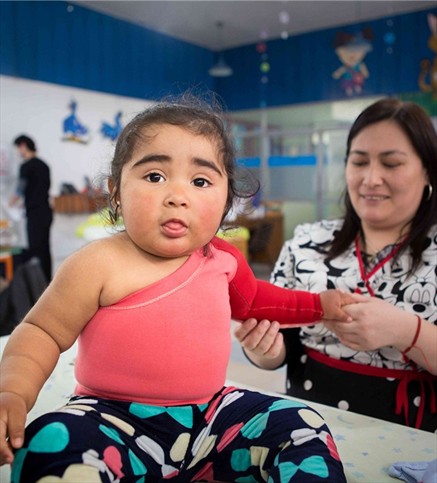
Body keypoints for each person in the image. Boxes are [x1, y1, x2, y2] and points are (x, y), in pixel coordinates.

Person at [0, 96, 353, 482]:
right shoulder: (96, 263)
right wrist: (15, 392)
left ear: (226, 201)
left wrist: (322, 305)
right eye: (155, 176)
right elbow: (42, 331)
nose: (177, 196)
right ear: (116, 191)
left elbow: (262, 301)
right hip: (111, 423)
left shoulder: (223, 260)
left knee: (300, 425)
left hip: (212, 422)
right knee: (50, 442)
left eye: (201, 181)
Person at [235, 98, 437, 432]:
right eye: (359, 162)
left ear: (428, 169)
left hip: (414, 436)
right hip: (307, 429)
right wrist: (261, 348)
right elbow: (279, 352)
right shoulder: (305, 244)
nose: (371, 179)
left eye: (391, 163)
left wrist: (405, 331)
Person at [10, 135, 53, 282]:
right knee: (45, 249)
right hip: (46, 212)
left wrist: (11, 202)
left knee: (35, 249)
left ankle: (37, 284)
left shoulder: (26, 166)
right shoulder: (44, 165)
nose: (18, 152)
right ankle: (47, 281)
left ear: (23, 145)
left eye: (18, 148)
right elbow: (41, 189)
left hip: (35, 214)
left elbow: (20, 189)